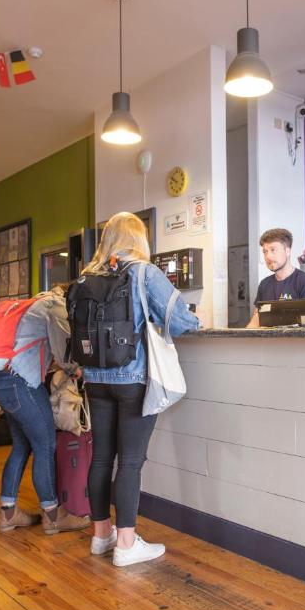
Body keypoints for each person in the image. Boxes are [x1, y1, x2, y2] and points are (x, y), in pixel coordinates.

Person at [82, 212, 199, 567]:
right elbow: (180, 320)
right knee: (130, 462)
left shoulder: (88, 276)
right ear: (139, 239)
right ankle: (127, 544)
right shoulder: (144, 273)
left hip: (95, 378)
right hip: (132, 378)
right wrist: (196, 320)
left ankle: (102, 536)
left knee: (101, 457)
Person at [0, 286, 90, 536]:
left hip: (2, 381)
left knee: (22, 446)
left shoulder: (29, 306)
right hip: (22, 384)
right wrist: (77, 370)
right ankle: (53, 516)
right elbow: (63, 351)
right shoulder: (53, 305)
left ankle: (8, 513)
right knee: (45, 446)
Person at [246, 228, 305, 328]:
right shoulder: (264, 284)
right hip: (268, 343)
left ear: (287, 251)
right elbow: (256, 319)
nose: (268, 256)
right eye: (265, 252)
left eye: (273, 250)